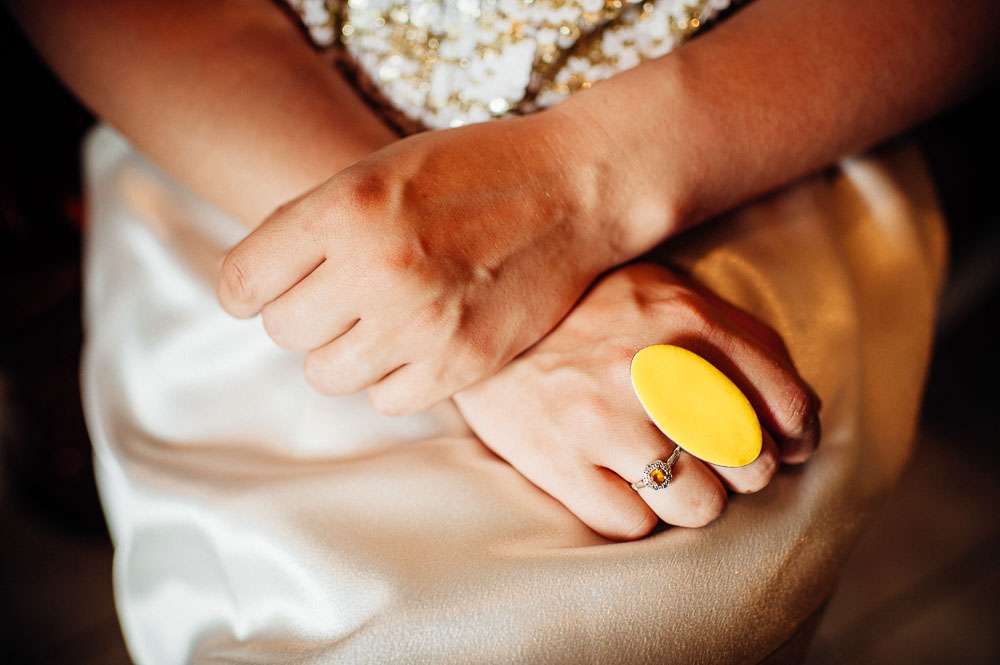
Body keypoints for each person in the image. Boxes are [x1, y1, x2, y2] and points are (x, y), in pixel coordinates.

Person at [7, 0, 995, 662]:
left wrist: (578, 191)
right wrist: (424, 259)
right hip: (258, 126)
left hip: (742, 126)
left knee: (650, 603)